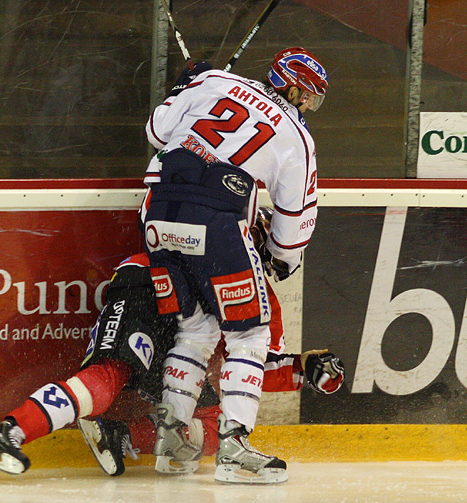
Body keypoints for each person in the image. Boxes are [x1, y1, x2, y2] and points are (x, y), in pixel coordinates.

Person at [0, 209, 344, 478]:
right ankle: (8, 433)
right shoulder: (234, 258)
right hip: (149, 288)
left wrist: (301, 370)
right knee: (107, 377)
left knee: (208, 427)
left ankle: (118, 434)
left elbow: (249, 366)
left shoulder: (256, 289)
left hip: (176, 333)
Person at [140, 47, 329, 484]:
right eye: (308, 96)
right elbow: (294, 218)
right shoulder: (297, 138)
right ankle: (234, 446)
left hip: (157, 211)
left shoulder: (216, 82)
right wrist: (283, 259)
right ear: (293, 88)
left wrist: (186, 84)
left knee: (196, 329)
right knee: (249, 332)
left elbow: (156, 129)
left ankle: (171, 440)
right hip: (216, 219)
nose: (308, 107)